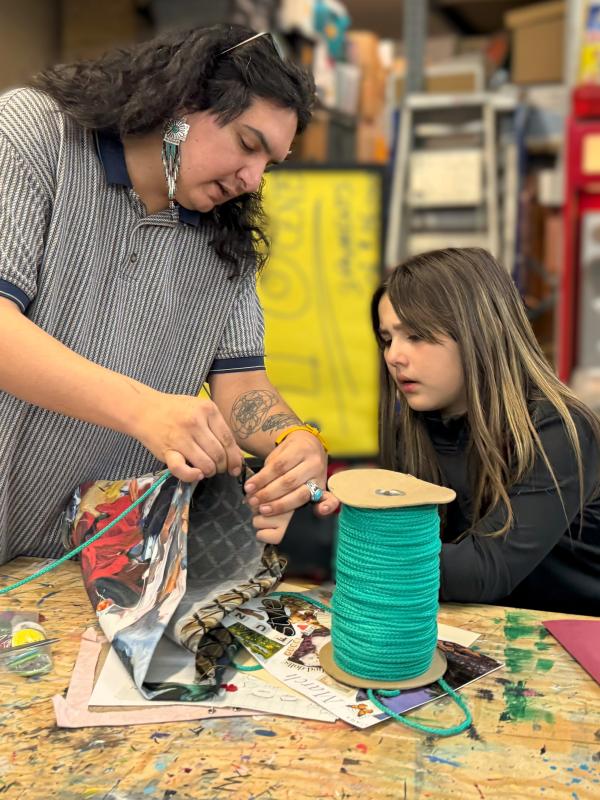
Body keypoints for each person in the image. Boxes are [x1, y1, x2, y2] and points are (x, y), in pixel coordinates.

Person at [0, 24, 331, 564]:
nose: (252, 179)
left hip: (77, 562)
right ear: (180, 101)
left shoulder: (224, 241)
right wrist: (145, 410)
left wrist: (295, 442)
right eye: (248, 144)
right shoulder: (36, 135)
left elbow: (242, 383)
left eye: (268, 164)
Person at [368, 247, 600, 615]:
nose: (394, 355)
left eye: (415, 335)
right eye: (387, 338)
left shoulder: (558, 430)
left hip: (573, 641)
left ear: (477, 332)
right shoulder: (412, 429)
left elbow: (481, 572)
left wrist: (345, 539)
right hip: (476, 628)